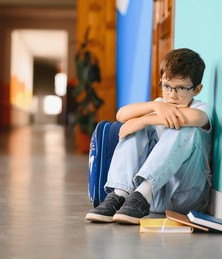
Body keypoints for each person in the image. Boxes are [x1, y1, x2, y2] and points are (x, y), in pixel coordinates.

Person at [85, 48, 212, 225]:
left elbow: (197, 119)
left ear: (196, 89)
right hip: (151, 200)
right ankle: (121, 194)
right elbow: (121, 114)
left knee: (182, 125)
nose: (172, 95)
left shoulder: (200, 107)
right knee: (134, 124)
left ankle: (144, 191)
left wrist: (144, 120)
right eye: (167, 86)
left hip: (187, 196)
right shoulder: (160, 104)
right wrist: (153, 107)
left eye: (181, 88)